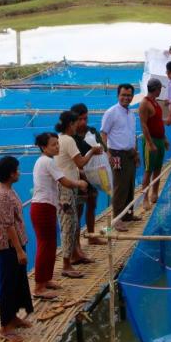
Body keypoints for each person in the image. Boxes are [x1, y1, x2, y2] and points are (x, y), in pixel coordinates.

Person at [31, 132, 88, 300]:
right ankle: (39, 287)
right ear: (43, 147)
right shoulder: (47, 161)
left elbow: (49, 185)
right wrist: (79, 183)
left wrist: (59, 202)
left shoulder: (45, 161)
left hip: (47, 205)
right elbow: (65, 181)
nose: (57, 147)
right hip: (42, 208)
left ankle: (46, 279)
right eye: (53, 144)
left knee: (50, 245)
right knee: (45, 245)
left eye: (57, 144)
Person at [0, 156, 34, 342]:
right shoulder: (1, 195)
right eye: (17, 170)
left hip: (16, 242)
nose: (19, 172)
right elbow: (8, 226)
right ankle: (5, 326)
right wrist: (19, 250)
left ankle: (14, 317)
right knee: (8, 285)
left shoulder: (9, 190)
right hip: (8, 246)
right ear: (10, 173)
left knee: (18, 281)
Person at [54, 110, 103, 271]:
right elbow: (80, 162)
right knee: (68, 225)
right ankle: (66, 264)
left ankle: (74, 254)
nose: (77, 126)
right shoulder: (68, 140)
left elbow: (71, 165)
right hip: (67, 188)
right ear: (70, 125)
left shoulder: (61, 139)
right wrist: (92, 151)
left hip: (71, 184)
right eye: (76, 123)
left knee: (74, 222)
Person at [101, 84, 139, 230]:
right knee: (119, 187)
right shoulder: (111, 112)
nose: (126, 98)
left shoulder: (131, 113)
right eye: (123, 95)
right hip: (117, 154)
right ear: (118, 95)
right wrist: (108, 153)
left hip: (130, 154)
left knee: (130, 185)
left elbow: (132, 135)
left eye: (129, 95)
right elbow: (103, 134)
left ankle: (128, 214)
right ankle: (117, 219)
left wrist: (135, 153)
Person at [71, 102, 107, 246]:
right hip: (76, 179)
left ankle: (92, 236)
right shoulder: (70, 137)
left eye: (85, 118)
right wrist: (81, 174)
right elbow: (69, 162)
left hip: (92, 176)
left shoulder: (91, 132)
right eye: (80, 119)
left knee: (92, 205)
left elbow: (102, 148)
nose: (83, 122)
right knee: (77, 213)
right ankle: (76, 245)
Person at [139, 78, 170, 210]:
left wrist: (164, 139)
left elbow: (157, 123)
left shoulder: (156, 103)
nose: (160, 91)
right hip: (150, 141)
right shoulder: (145, 104)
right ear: (155, 89)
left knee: (157, 168)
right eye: (159, 89)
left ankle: (154, 193)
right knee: (148, 170)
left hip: (159, 139)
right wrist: (150, 143)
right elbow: (144, 125)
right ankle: (145, 198)